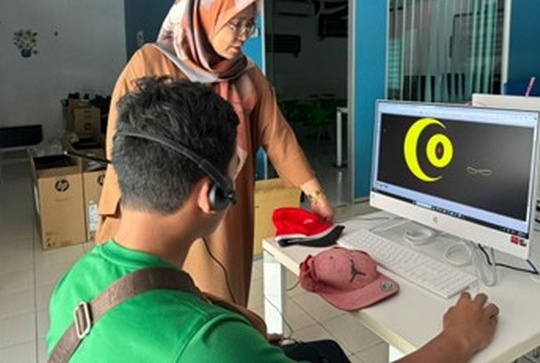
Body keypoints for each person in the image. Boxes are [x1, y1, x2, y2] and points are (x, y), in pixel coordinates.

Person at [47, 76, 500, 362]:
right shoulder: (211, 345)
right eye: (235, 171)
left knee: (325, 350)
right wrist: (459, 339)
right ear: (212, 195)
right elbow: (202, 346)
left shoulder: (76, 281)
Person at [95, 0, 334, 306]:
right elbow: (124, 146)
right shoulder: (152, 63)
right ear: (204, 16)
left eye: (250, 25)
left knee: (221, 295)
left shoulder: (247, 74)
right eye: (235, 23)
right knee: (156, 298)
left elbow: (278, 134)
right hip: (160, 207)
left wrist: (315, 193)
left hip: (221, 207)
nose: (244, 34)